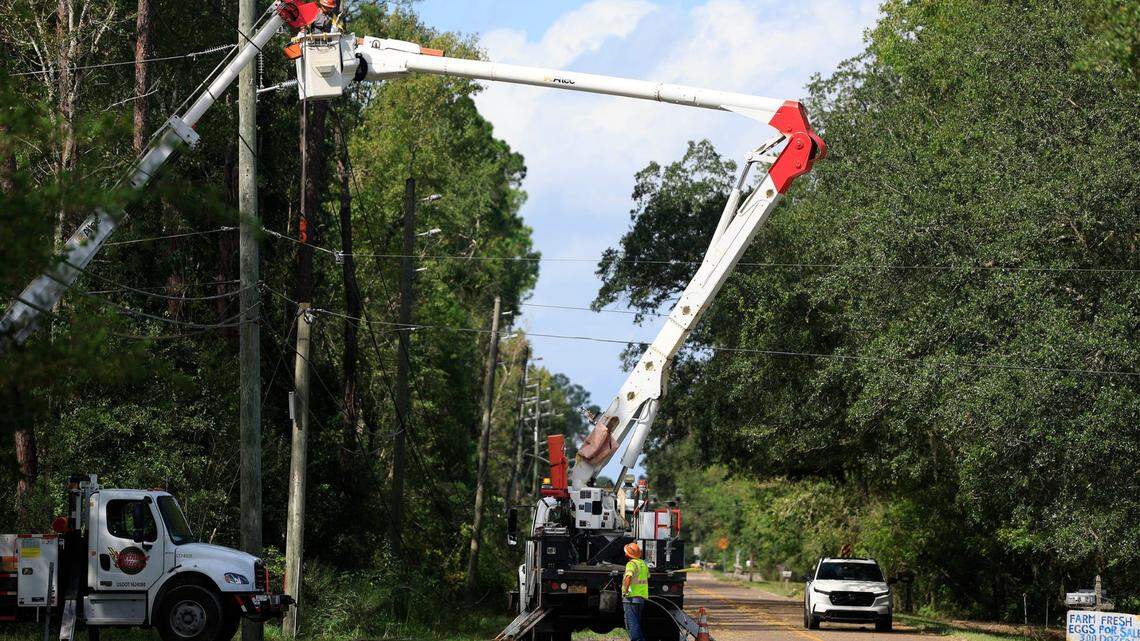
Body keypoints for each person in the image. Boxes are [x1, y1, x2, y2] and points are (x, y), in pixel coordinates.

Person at [622, 542, 649, 641]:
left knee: (631, 624)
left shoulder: (631, 564)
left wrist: (625, 591)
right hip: (640, 599)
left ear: (627, 554)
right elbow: (647, 576)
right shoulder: (643, 564)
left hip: (631, 598)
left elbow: (628, 576)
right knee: (636, 623)